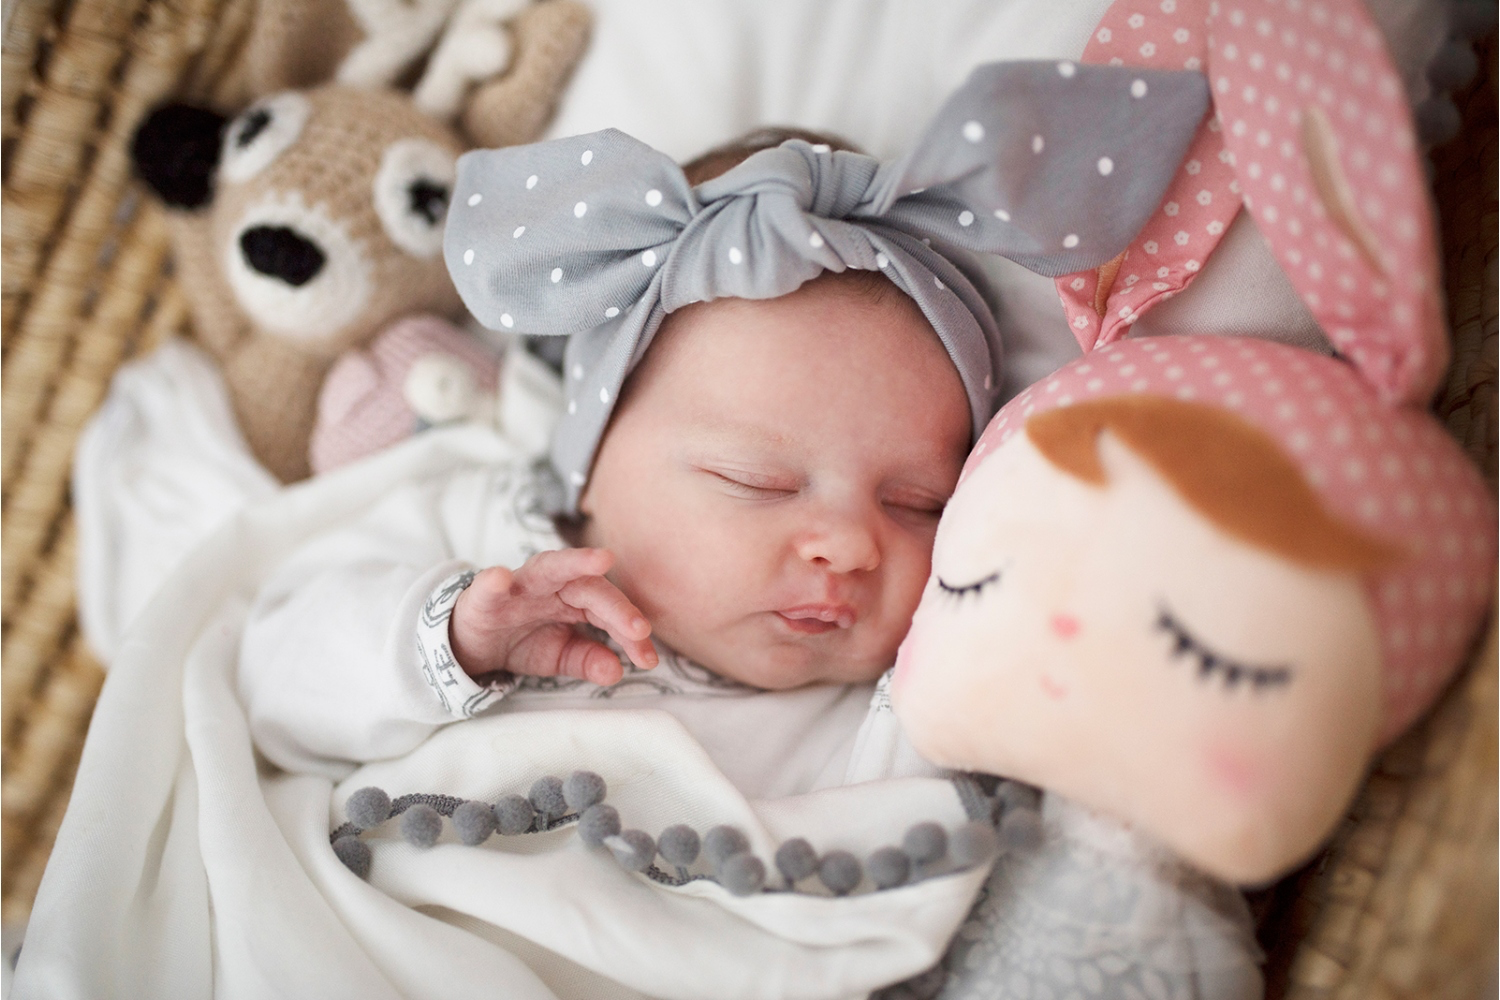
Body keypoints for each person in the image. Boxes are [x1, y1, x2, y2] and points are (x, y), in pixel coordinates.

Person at [238, 62, 1207, 797]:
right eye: (757, 480)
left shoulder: (885, 714)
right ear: (589, 456)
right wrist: (451, 639)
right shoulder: (481, 538)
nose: (850, 545)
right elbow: (271, 687)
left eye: (919, 503)